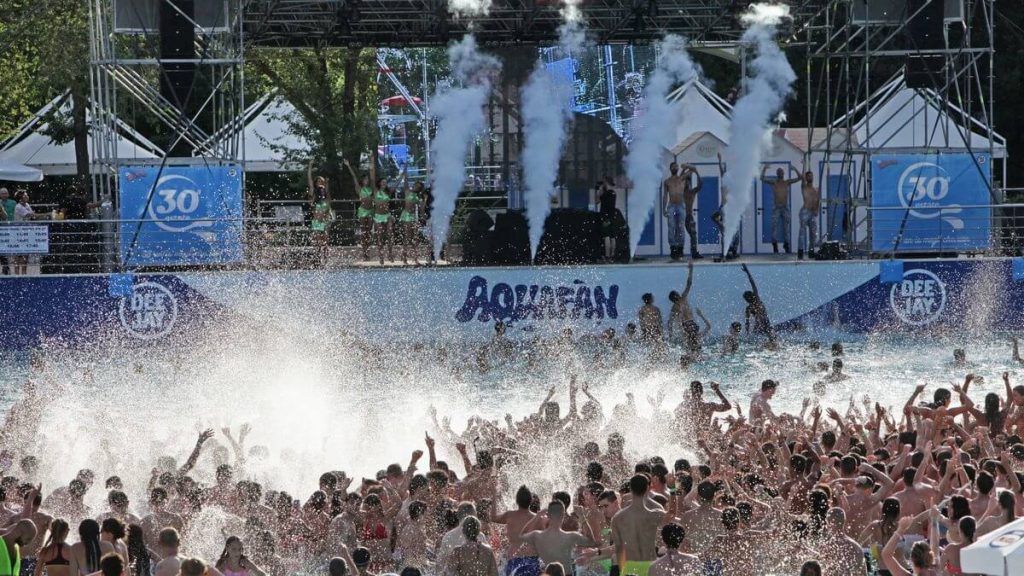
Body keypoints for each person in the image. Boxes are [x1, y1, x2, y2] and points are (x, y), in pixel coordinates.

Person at [609, 475, 664, 576]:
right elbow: (673, 514)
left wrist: (622, 571)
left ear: (630, 489)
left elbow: (619, 548)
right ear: (647, 488)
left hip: (630, 567)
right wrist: (673, 489)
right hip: (651, 566)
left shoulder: (618, 518)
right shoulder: (654, 514)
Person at [520, 501, 596, 573]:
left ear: (548, 515)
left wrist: (538, 515)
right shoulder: (570, 537)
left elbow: (521, 535)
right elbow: (592, 542)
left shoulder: (537, 536)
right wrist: (582, 517)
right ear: (563, 515)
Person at [663, 162, 701, 261]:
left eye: (676, 166)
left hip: (681, 206)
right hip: (671, 206)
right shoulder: (667, 181)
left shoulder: (682, 178)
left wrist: (686, 165)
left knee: (680, 227)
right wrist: (664, 208)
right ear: (670, 168)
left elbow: (694, 168)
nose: (675, 167)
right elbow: (665, 196)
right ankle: (673, 248)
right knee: (671, 227)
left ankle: (680, 249)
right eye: (673, 166)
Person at [760, 165, 801, 254]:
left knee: (786, 227)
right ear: (777, 174)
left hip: (785, 207)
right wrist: (764, 169)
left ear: (783, 173)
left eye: (781, 172)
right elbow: (762, 178)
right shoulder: (774, 182)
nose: (780, 173)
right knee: (774, 226)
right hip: (777, 207)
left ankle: (786, 244)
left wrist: (795, 169)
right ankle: (775, 245)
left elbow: (800, 178)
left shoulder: (787, 182)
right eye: (778, 172)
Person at [344, 159, 375, 261]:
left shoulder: (371, 188)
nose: (367, 180)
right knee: (363, 232)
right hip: (362, 211)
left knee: (368, 232)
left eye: (367, 179)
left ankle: (368, 251)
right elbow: (354, 177)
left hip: (370, 210)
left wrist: (371, 163)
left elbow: (373, 176)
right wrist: (348, 166)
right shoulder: (359, 188)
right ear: (362, 181)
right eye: (365, 179)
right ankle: (364, 252)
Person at [710, 153, 739, 261]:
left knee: (735, 231)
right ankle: (726, 252)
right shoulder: (724, 181)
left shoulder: (733, 184)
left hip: (732, 209)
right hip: (724, 208)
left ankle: (733, 250)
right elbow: (721, 171)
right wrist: (720, 160)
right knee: (725, 230)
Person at [398, 170, 426, 266]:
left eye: (418, 186)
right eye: (415, 185)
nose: (416, 186)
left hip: (413, 217)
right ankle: (404, 258)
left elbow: (422, 209)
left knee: (415, 238)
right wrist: (405, 173)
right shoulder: (407, 192)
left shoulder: (418, 197)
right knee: (407, 237)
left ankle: (415, 258)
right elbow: (405, 182)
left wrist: (424, 201)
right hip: (406, 216)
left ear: (419, 188)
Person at [740, 264, 772, 338]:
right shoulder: (757, 301)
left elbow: (747, 323)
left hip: (758, 327)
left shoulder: (749, 307)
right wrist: (747, 272)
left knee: (757, 334)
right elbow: (753, 284)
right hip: (765, 324)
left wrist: (747, 334)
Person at [596, 178, 623, 262]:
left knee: (606, 237)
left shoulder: (605, 193)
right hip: (612, 217)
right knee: (612, 237)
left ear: (606, 182)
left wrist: (599, 191)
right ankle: (612, 256)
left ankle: (607, 256)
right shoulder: (613, 193)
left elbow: (597, 201)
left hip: (605, 217)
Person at [371, 178, 394, 266]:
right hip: (378, 216)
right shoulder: (376, 190)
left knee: (390, 234)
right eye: (383, 182)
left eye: (385, 182)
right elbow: (372, 177)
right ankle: (381, 256)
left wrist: (403, 175)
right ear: (379, 183)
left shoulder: (388, 192)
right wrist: (371, 167)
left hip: (387, 215)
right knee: (380, 236)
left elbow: (396, 184)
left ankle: (390, 254)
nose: (384, 183)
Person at [798, 169, 820, 260]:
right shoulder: (804, 187)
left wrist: (817, 210)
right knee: (802, 232)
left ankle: (811, 251)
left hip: (812, 212)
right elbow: (802, 178)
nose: (810, 177)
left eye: (811, 176)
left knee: (813, 234)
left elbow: (817, 200)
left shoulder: (816, 189)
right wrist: (803, 165)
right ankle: (800, 252)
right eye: (808, 176)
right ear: (806, 178)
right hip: (805, 211)